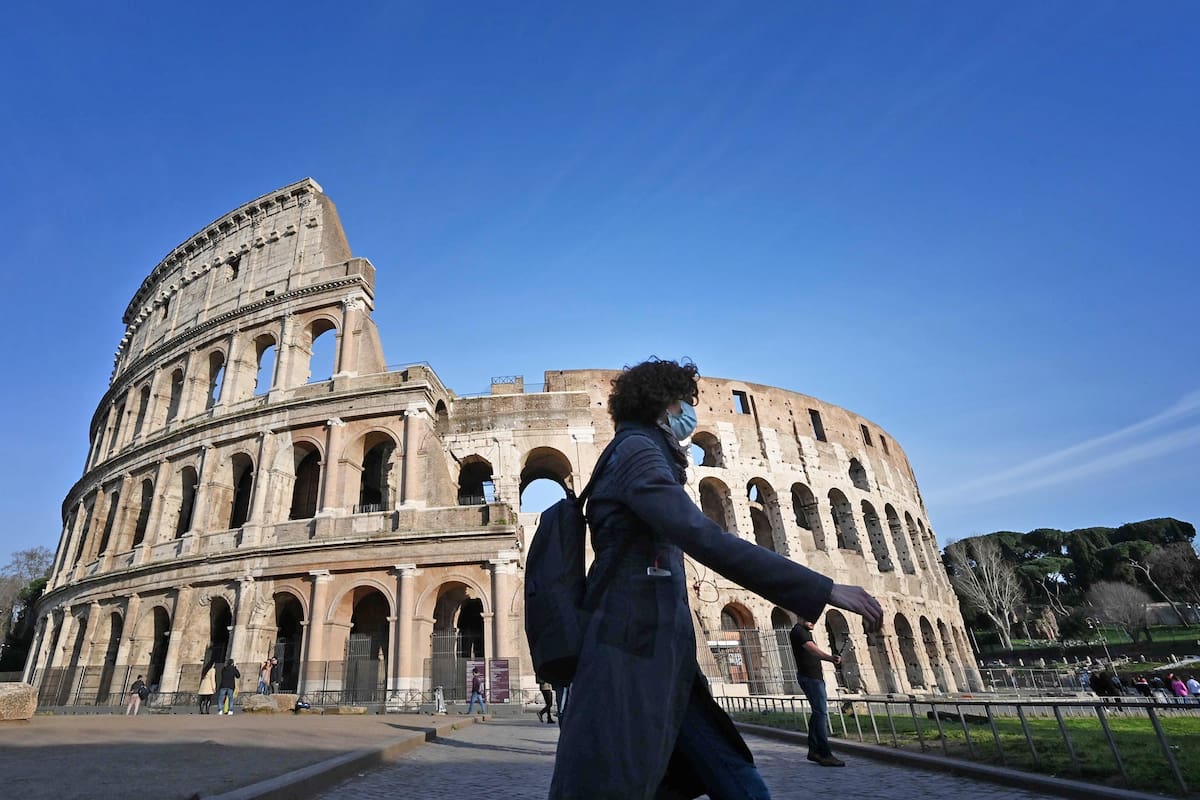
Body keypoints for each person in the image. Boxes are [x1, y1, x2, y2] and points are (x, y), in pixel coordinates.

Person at [549, 359, 883, 800]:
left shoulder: (637, 450)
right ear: (665, 404)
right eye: (687, 401)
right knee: (624, 779)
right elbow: (701, 534)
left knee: (724, 770)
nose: (692, 412)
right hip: (634, 644)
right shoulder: (638, 452)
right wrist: (823, 587)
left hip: (653, 647)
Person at [789, 618, 844, 767]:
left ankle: (814, 750)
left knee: (818, 712)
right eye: (810, 618)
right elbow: (812, 650)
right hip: (810, 678)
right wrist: (830, 658)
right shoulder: (799, 631)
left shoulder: (804, 631)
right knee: (821, 714)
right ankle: (825, 753)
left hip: (812, 677)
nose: (813, 621)